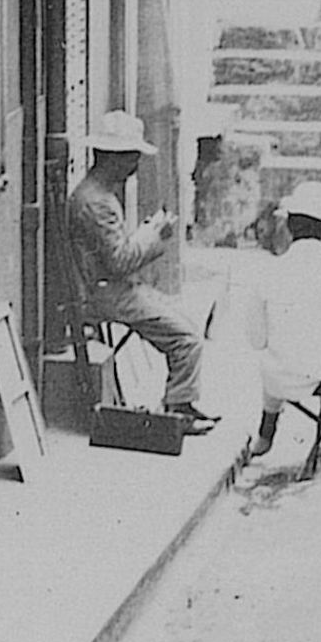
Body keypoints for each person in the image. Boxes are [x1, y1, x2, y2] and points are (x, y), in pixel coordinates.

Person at [67, 111, 218, 432]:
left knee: (189, 321)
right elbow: (119, 262)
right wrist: (154, 236)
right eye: (132, 156)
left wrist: (148, 233)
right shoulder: (98, 203)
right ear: (115, 158)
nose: (136, 163)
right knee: (187, 337)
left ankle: (183, 400)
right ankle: (178, 408)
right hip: (106, 294)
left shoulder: (96, 194)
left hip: (111, 288)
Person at [244, 181, 321, 460]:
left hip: (284, 377)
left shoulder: (267, 274)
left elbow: (256, 339)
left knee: (272, 360)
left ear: (288, 227)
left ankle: (266, 435)